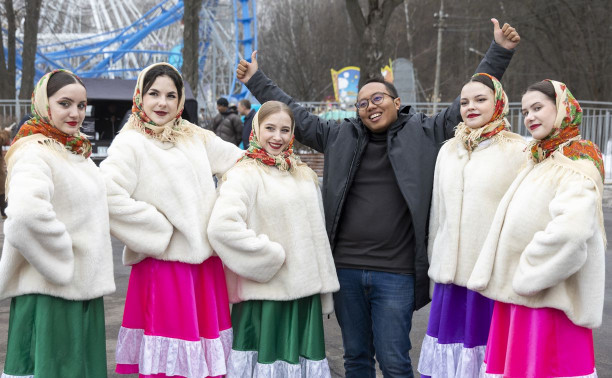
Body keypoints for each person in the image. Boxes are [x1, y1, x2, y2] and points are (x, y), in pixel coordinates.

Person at [236, 18, 520, 377]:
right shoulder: (339, 136)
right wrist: (255, 81)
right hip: (347, 269)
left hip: (397, 272)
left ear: (397, 102)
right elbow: (298, 115)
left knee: (394, 360)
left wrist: (500, 51)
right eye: (362, 102)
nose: (369, 105)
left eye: (378, 98)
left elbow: (467, 98)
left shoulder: (425, 132)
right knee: (355, 358)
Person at [99, 62, 243, 377]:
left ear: (180, 102)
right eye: (154, 94)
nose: (162, 103)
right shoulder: (131, 141)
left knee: (201, 360)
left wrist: (225, 207)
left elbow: (240, 164)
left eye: (170, 95)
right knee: (171, 361)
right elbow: (106, 195)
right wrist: (157, 229)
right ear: (140, 95)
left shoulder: (195, 136)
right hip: (164, 268)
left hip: (204, 266)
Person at [468, 80, 604, 377]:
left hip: (548, 300)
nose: (529, 117)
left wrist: (529, 272)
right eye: (526, 110)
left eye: (538, 107)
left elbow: (572, 231)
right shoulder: (542, 157)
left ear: (563, 108)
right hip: (524, 297)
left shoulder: (577, 158)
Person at [208, 100, 340, 377]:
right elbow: (221, 227)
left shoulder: (303, 174)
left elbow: (318, 236)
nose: (277, 137)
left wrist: (322, 284)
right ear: (256, 129)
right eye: (270, 128)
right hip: (265, 297)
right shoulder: (243, 172)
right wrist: (269, 258)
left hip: (304, 297)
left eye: (284, 129)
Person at [0, 69, 115, 377]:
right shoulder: (35, 151)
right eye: (65, 103)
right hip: (51, 294)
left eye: (81, 105)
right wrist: (64, 257)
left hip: (79, 291)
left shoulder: (75, 150)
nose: (75, 113)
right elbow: (24, 215)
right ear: (44, 103)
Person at [417, 73, 526, 378]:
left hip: (489, 279)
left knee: (487, 358)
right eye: (464, 102)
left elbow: (520, 217)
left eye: (480, 100)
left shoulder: (518, 152)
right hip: (449, 279)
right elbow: (438, 215)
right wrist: (435, 265)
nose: (471, 107)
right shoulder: (448, 150)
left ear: (499, 103)